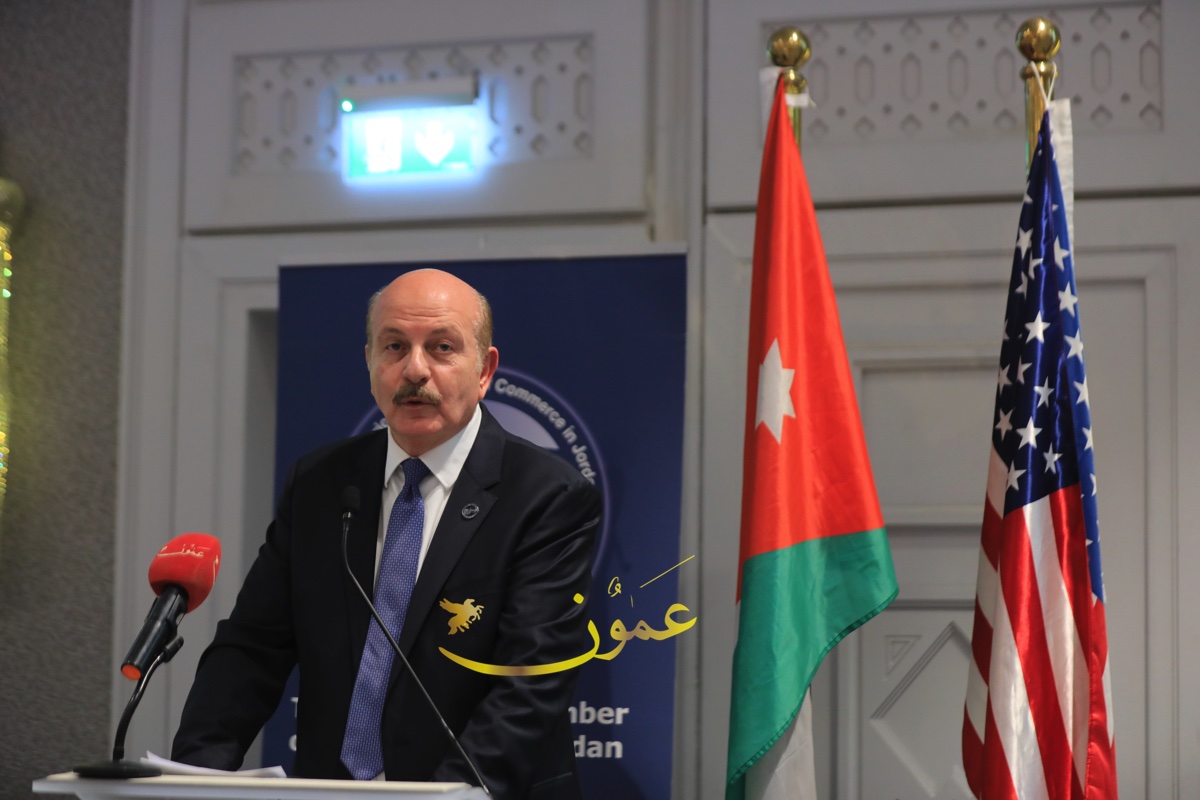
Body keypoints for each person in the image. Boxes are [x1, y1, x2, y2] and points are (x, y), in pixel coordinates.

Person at [172, 269, 602, 800]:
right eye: (395, 346)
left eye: (442, 347)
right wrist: (192, 777)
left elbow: (529, 683)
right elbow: (253, 646)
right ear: (370, 362)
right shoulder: (321, 483)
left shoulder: (546, 495)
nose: (415, 369)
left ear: (485, 370)